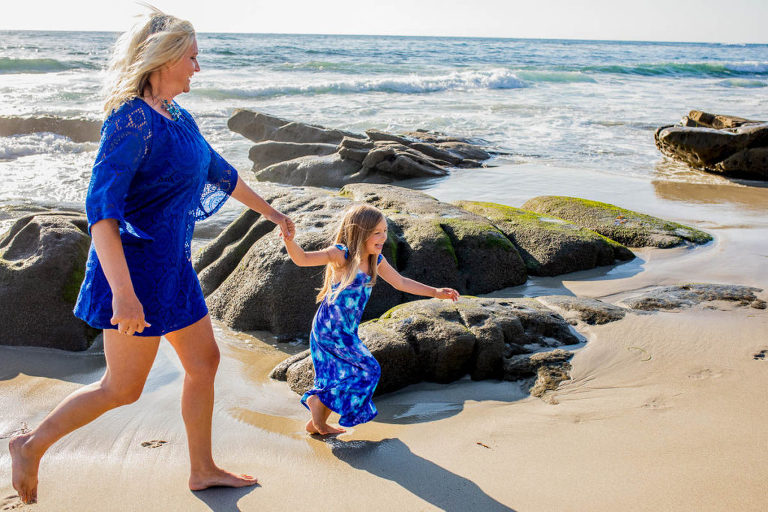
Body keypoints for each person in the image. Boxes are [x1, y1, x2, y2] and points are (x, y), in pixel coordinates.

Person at [9, 8, 294, 504]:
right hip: (135, 271)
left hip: (173, 269)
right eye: (192, 57)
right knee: (122, 388)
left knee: (204, 362)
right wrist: (123, 293)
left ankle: (202, 468)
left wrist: (272, 212)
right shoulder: (130, 120)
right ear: (164, 57)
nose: (197, 68)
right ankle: (31, 445)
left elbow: (219, 170)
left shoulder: (177, 117)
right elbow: (101, 211)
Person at [281, 204, 459, 435]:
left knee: (343, 373)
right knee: (368, 369)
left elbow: (401, 283)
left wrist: (435, 292)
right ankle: (318, 409)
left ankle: (318, 421)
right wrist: (289, 241)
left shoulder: (376, 259)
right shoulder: (341, 255)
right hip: (330, 328)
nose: (383, 237)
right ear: (360, 232)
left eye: (385, 231)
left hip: (347, 330)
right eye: (377, 232)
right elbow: (303, 258)